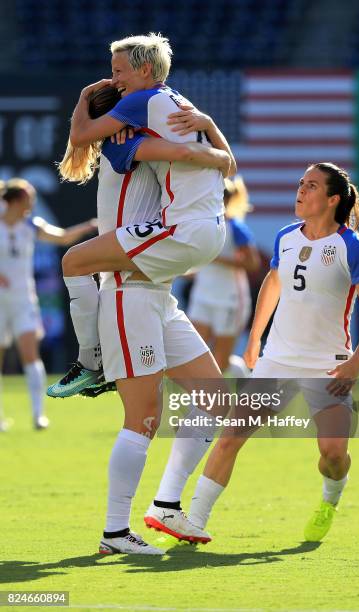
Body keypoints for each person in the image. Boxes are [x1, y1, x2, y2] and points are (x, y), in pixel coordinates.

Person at [48, 81, 234, 554]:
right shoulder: (127, 145)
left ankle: (166, 505)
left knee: (214, 400)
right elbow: (204, 160)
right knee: (143, 418)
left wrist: (208, 128)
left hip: (158, 293)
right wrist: (210, 148)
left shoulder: (133, 142)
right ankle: (114, 532)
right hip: (130, 291)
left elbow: (85, 133)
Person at [187, 162, 359, 543]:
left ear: (332, 199)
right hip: (276, 361)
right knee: (230, 438)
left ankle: (330, 499)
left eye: (311, 186)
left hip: (328, 367)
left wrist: (356, 363)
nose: (300, 190)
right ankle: (192, 524)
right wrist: (255, 337)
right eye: (300, 183)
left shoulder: (351, 246)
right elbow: (272, 285)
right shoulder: (285, 237)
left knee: (332, 456)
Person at [47, 31, 236, 397]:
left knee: (74, 262)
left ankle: (91, 361)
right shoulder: (176, 104)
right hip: (206, 233)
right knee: (212, 403)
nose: (115, 81)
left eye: (119, 72)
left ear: (145, 70)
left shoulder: (140, 107)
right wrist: (211, 128)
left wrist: (86, 96)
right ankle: (96, 361)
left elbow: (82, 135)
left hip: (175, 239)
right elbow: (229, 165)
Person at [0, 178, 95, 430]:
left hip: (23, 300)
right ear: (18, 200)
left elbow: (62, 238)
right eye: (29, 196)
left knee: (31, 356)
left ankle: (38, 415)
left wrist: (88, 226)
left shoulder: (31, 225)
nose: (33, 201)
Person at [188, 175, 260, 372]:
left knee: (221, 361)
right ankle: (199, 403)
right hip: (202, 297)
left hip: (230, 301)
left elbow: (253, 263)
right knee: (194, 354)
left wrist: (215, 259)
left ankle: (243, 377)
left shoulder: (236, 228)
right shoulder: (200, 225)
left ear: (226, 200)